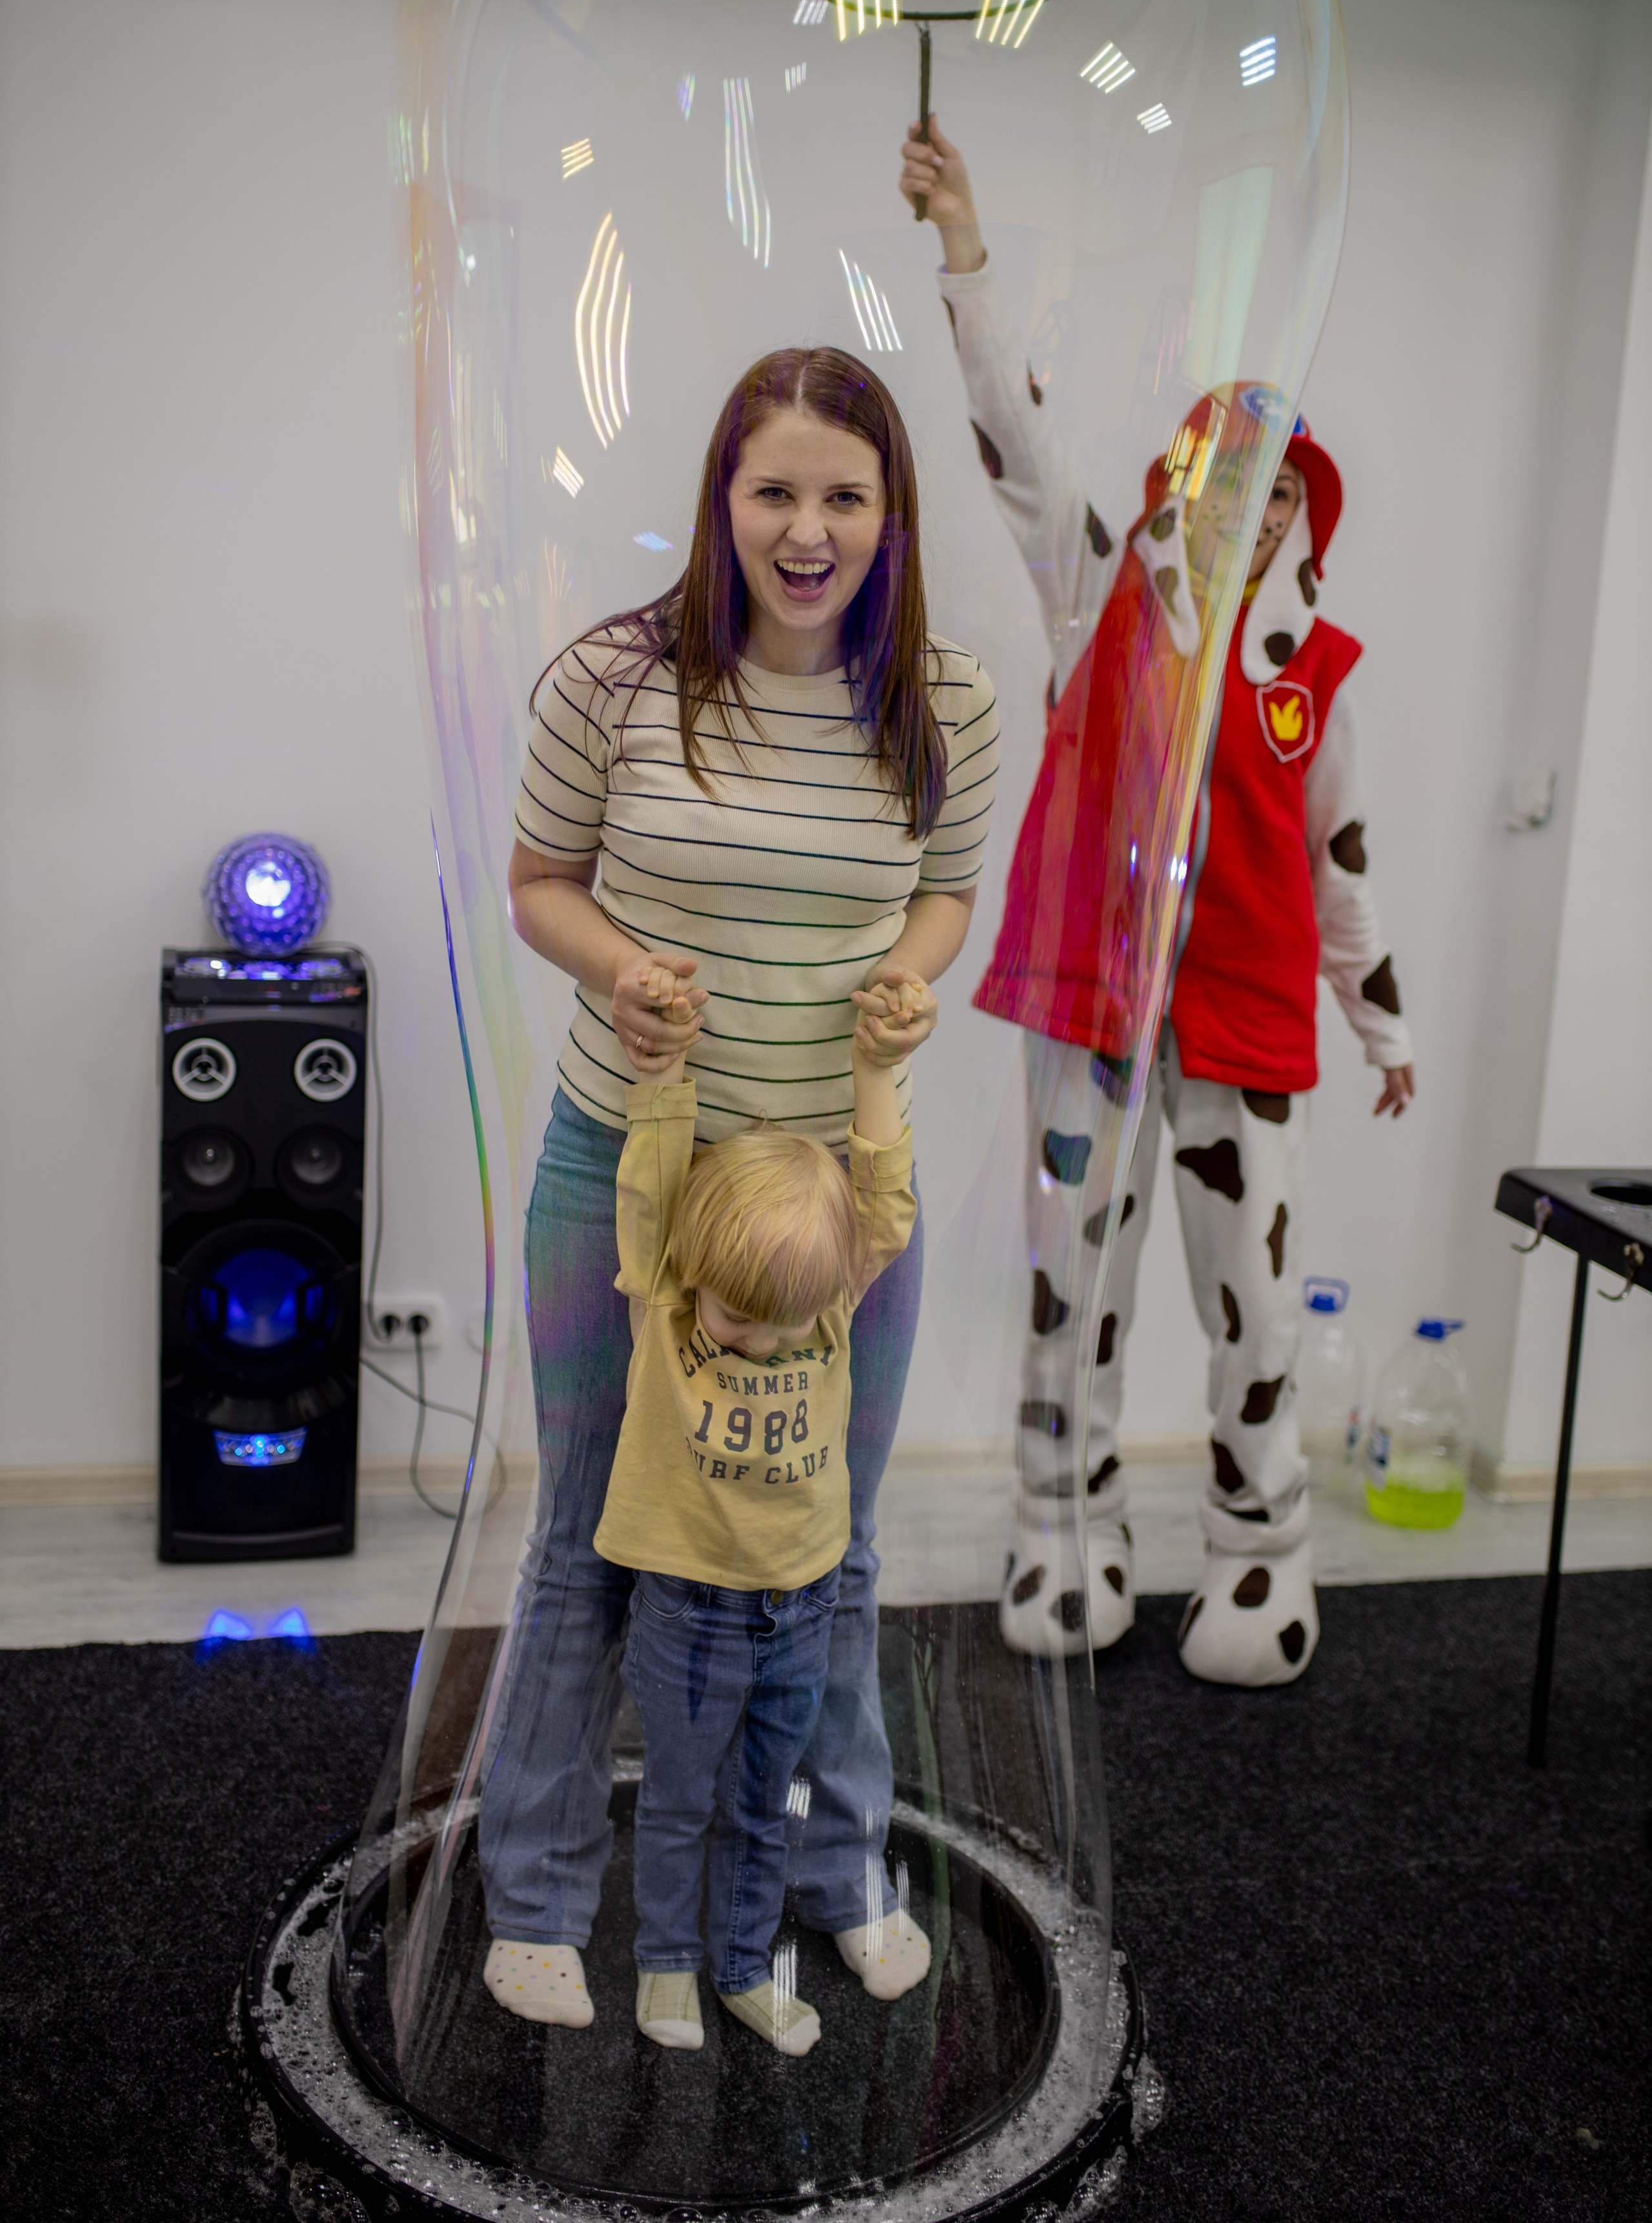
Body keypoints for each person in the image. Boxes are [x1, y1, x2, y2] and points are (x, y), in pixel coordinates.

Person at [477, 345, 999, 2024]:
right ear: (721, 500)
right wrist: (621, 967)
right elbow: (539, 882)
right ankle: (542, 1900)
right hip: (621, 1167)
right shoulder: (614, 681)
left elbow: (947, 895)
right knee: (587, 1539)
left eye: (845, 495)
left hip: (837, 1208)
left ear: (890, 515)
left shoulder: (948, 704)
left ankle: (835, 1876)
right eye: (774, 489)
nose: (807, 528)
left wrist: (915, 979)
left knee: (830, 1548)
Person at [899, 119, 1414, 1688]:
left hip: (1244, 1033)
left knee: (1248, 1306)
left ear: (1295, 520)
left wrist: (1378, 1023)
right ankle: (1064, 1525)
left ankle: (1261, 1558)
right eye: (1219, 476)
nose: (1240, 510)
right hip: (1091, 1016)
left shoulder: (1311, 682)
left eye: (1272, 493)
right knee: (1074, 1288)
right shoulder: (1095, 593)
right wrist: (964, 245)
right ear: (1177, 481)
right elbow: (1010, 432)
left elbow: (1343, 858)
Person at [593, 961, 924, 2057]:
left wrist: (877, 1069)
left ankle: (742, 1966)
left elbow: (880, 1201)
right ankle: (666, 1968)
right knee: (681, 1804)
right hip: (689, 1610)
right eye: (741, 1320)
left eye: (785, 1328)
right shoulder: (670, 1300)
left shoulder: (822, 1307)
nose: (762, 1341)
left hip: (803, 1603)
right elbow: (650, 1183)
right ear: (695, 1277)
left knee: (762, 1802)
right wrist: (669, 1070)